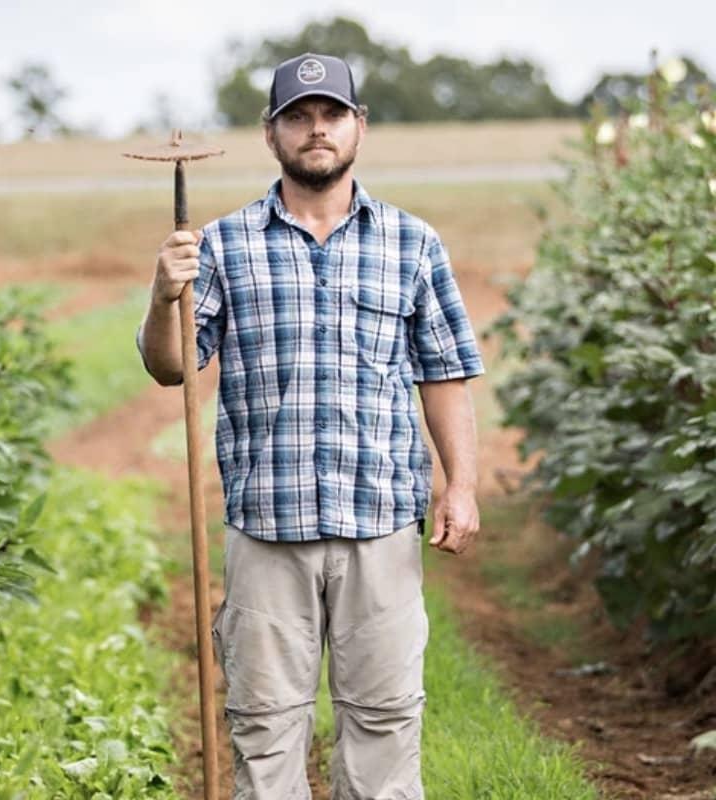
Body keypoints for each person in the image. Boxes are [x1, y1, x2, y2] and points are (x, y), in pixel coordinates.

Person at [137, 52, 484, 800]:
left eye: (331, 115)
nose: (316, 129)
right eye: (298, 117)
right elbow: (172, 367)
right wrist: (165, 295)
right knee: (263, 728)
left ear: (359, 126)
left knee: (386, 723)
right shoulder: (222, 247)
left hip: (380, 524)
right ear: (272, 135)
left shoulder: (412, 243)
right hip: (267, 526)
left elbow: (444, 370)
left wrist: (462, 485)